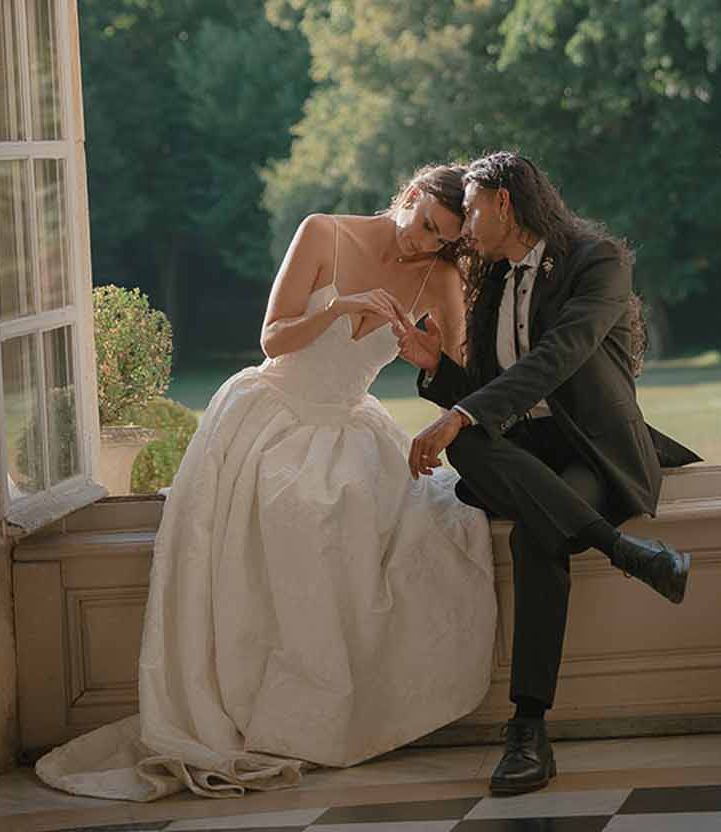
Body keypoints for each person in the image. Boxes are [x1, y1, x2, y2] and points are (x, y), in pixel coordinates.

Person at [35, 166, 497, 803]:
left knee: (418, 531)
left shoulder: (438, 276)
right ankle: (262, 709)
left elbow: (466, 371)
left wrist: (431, 359)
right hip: (271, 417)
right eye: (423, 226)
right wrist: (340, 307)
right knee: (296, 527)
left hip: (352, 427)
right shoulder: (323, 234)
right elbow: (272, 337)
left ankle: (341, 711)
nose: (424, 244)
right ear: (410, 197)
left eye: (442, 239)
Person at [398, 151, 699, 799]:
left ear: (504, 203)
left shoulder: (597, 262)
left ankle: (528, 730)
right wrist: (436, 372)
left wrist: (460, 415)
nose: (465, 228)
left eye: (472, 212)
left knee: (536, 534)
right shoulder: (491, 278)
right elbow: (487, 390)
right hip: (521, 448)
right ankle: (628, 552)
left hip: (589, 451)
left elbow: (558, 359)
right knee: (468, 446)